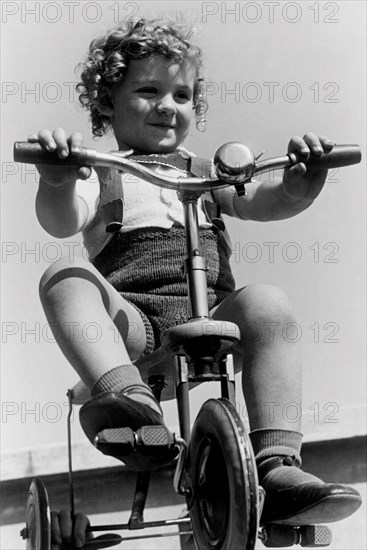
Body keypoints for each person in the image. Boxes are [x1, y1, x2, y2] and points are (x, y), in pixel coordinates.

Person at [30, 17, 361, 548]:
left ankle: (276, 465)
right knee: (64, 277)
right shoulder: (100, 170)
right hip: (135, 326)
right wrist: (56, 179)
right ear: (107, 103)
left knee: (269, 302)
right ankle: (125, 399)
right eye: (148, 90)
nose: (169, 105)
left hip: (213, 313)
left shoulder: (207, 170)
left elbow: (266, 200)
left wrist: (302, 185)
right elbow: (61, 219)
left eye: (182, 94)